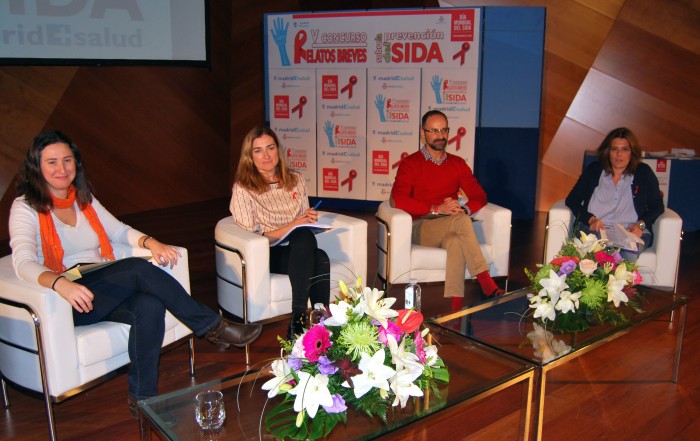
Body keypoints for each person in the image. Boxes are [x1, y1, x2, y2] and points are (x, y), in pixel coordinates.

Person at [9, 130, 263, 417]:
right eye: (52, 162)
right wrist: (60, 284)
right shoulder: (25, 207)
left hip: (99, 287)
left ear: (76, 164)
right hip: (65, 299)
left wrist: (151, 242)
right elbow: (23, 262)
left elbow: (117, 230)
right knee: (136, 270)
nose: (61, 169)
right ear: (36, 166)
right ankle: (213, 327)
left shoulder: (83, 199)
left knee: (149, 305)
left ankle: (142, 400)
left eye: (67, 160)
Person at [391, 110, 504, 311]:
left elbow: (480, 196)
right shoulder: (410, 164)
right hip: (421, 225)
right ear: (422, 133)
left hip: (450, 224)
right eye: (434, 130)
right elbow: (398, 199)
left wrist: (465, 209)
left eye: (444, 130)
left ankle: (455, 308)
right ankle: (486, 282)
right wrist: (436, 208)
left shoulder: (457, 164)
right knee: (460, 222)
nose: (440, 135)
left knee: (456, 238)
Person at [230, 126, 330, 339]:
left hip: (298, 251)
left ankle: (320, 325)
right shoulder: (243, 187)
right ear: (250, 156)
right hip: (266, 254)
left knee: (318, 254)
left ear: (278, 150)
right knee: (304, 239)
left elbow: (303, 219)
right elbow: (251, 237)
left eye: (270, 148)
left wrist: (307, 219)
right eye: (258, 150)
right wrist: (294, 225)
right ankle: (302, 316)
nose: (266, 155)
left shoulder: (296, 179)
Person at [565, 127, 664, 261]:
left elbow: (657, 207)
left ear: (632, 152)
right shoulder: (594, 170)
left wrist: (641, 225)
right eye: (614, 149)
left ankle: (620, 281)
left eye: (625, 149)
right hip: (595, 230)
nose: (619, 155)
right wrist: (590, 219)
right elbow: (572, 200)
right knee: (598, 254)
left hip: (628, 231)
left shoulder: (643, 173)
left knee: (626, 257)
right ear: (607, 151)